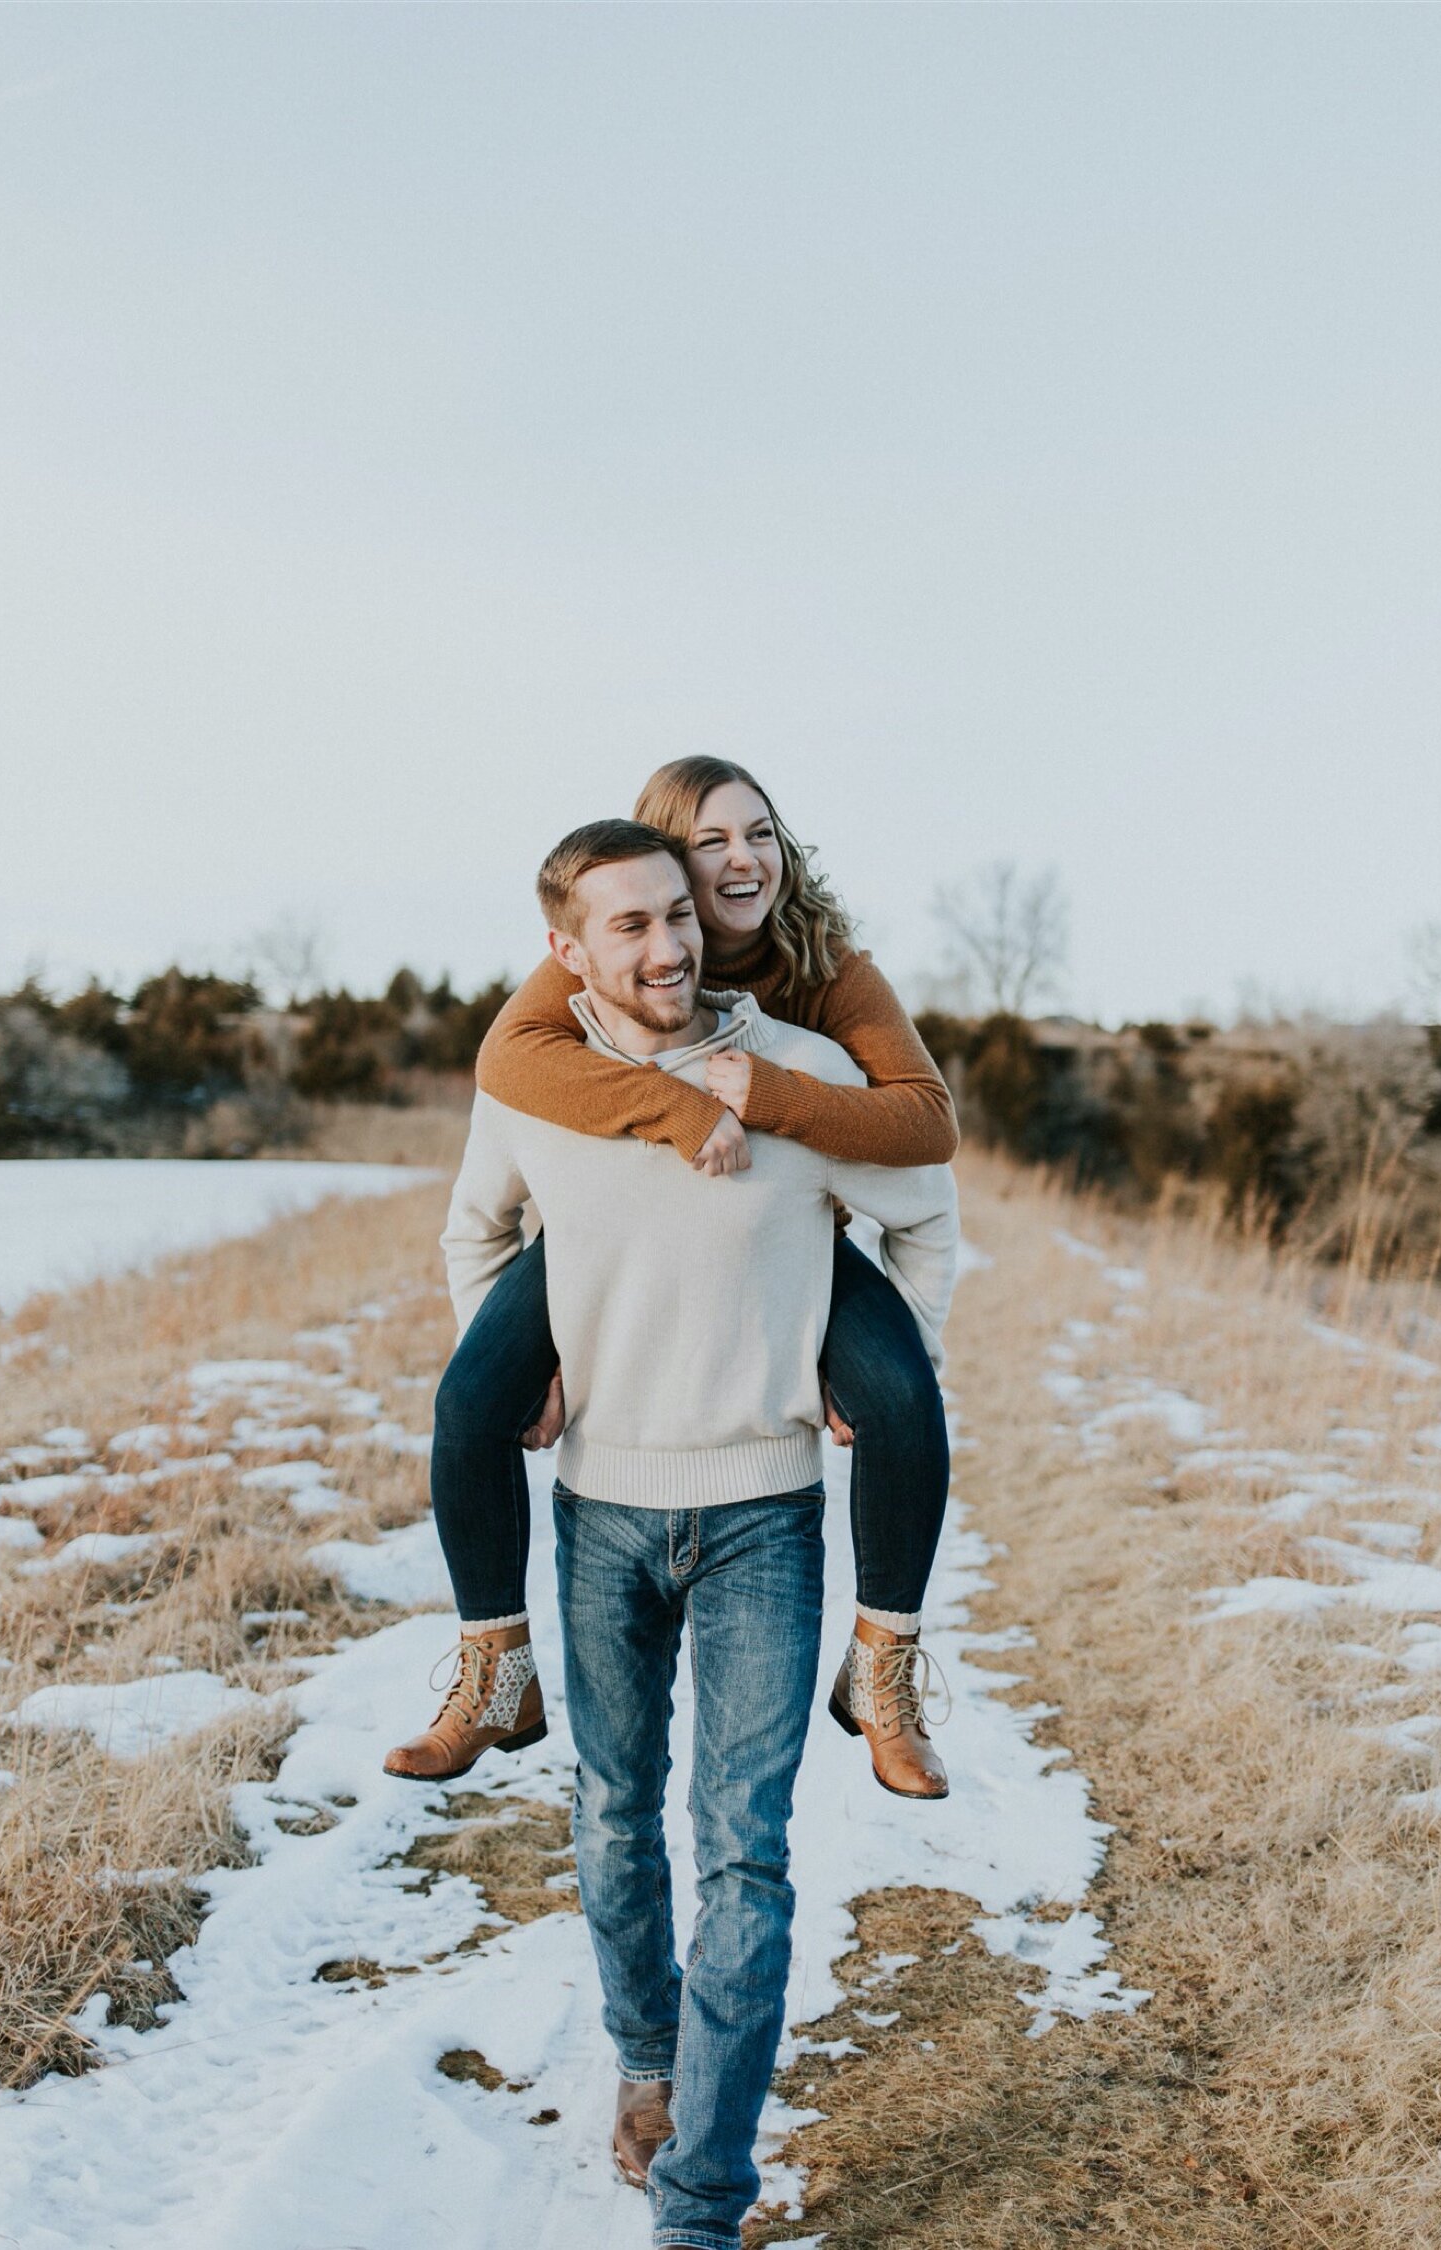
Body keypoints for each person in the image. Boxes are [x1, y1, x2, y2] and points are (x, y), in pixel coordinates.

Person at [429, 818, 958, 2250]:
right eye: (629, 925)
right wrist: (527, 1367)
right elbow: (477, 1234)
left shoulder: (805, 1069)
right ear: (568, 949)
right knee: (612, 1816)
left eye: (681, 913)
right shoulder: (536, 1084)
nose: (664, 946)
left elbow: (923, 1207)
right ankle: (649, 2066)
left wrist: (873, 1372)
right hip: (600, 1507)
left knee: (745, 1854)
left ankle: (703, 2195)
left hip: (764, 1519)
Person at [387, 757, 958, 1798]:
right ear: (662, 870)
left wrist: (774, 1096)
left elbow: (929, 1127)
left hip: (780, 1226)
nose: (744, 860)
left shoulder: (828, 967)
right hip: (612, 1231)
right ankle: (492, 1669)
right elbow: (511, 1065)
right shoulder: (609, 938)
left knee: (907, 1396)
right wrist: (682, 1108)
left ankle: (885, 1672)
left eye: (762, 833)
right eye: (713, 843)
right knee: (472, 1398)